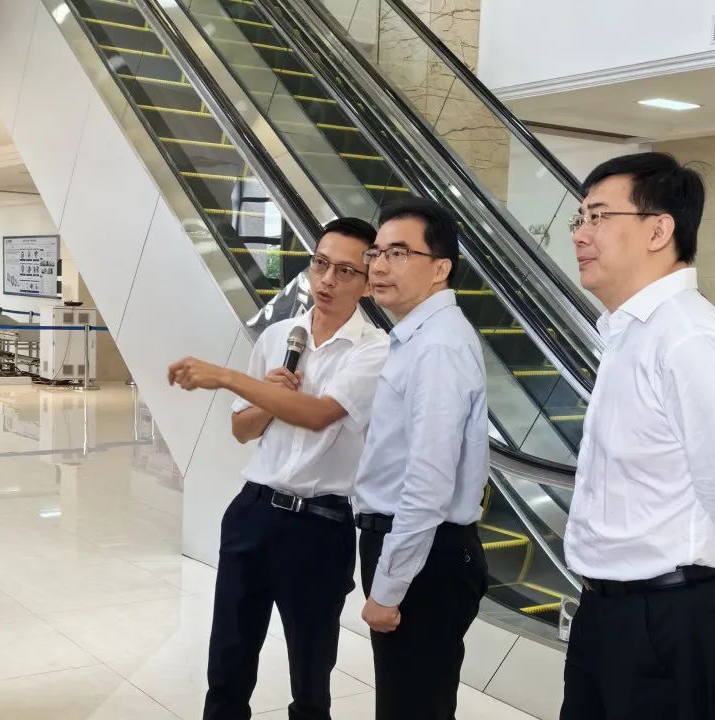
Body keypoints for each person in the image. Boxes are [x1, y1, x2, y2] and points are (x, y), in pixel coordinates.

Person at [561, 152, 715, 720]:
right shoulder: (631, 332)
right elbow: (695, 489)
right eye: (579, 219)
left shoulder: (688, 337)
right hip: (611, 610)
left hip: (664, 619)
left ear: (659, 230)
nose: (580, 235)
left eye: (597, 217)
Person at [168, 218, 390, 720]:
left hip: (320, 524)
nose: (327, 280)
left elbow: (318, 415)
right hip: (254, 511)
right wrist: (267, 397)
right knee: (228, 660)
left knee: (310, 677)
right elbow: (242, 430)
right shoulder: (277, 336)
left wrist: (228, 377)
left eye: (345, 271)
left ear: (367, 282)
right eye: (320, 264)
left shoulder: (374, 350)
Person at [354, 197, 489, 720]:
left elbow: (429, 480)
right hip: (417, 549)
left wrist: (389, 588)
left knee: (411, 707)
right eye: (376, 252)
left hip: (424, 557)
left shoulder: (438, 346)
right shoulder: (420, 337)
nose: (379, 266)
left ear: (440, 268)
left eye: (399, 253)